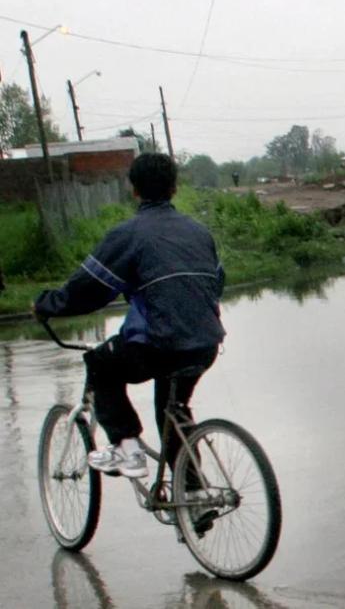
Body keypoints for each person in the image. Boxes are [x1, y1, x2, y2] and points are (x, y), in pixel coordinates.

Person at [33, 153, 225, 480]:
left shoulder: (129, 234)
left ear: (133, 190)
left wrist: (48, 305)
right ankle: (194, 493)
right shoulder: (198, 232)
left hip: (158, 346)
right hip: (206, 343)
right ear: (174, 189)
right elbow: (217, 282)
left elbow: (88, 289)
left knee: (101, 364)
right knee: (172, 411)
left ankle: (127, 448)